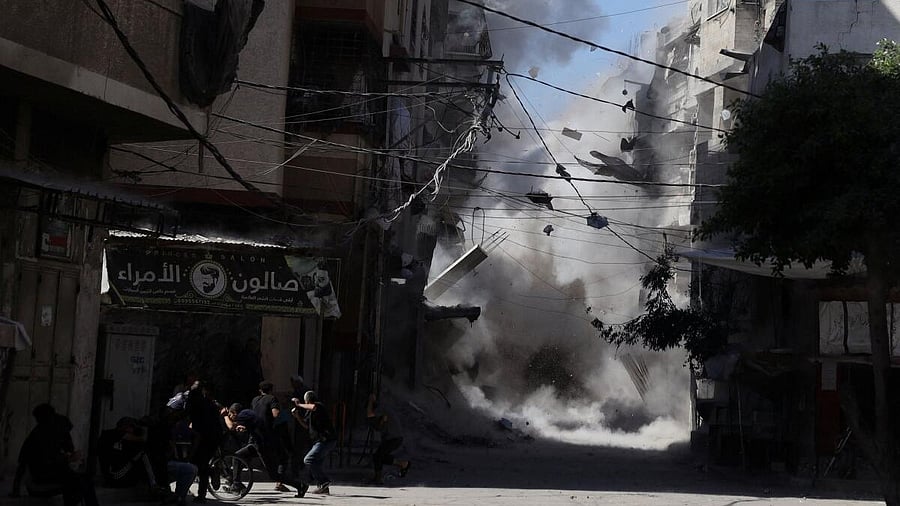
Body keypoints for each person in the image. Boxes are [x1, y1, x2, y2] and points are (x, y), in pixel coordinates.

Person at [8, 403, 99, 506]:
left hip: (55, 476)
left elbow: (67, 446)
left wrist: (70, 454)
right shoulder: (36, 437)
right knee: (74, 482)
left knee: (84, 480)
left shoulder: (56, 427)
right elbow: (30, 464)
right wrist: (68, 459)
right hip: (40, 481)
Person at [229, 407, 308, 498]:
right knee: (237, 456)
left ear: (234, 413)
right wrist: (245, 428)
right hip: (257, 444)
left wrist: (225, 416)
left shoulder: (241, 415)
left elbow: (231, 426)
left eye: (230, 415)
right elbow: (255, 424)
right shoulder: (247, 413)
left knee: (273, 475)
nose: (230, 417)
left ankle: (300, 485)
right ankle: (236, 484)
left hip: (263, 445)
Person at [291, 390, 337, 495]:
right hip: (319, 441)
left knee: (309, 459)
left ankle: (324, 482)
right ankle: (323, 488)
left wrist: (298, 405)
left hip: (326, 439)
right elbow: (306, 426)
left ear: (307, 400)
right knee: (316, 463)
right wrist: (297, 416)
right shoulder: (309, 411)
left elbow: (313, 407)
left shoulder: (318, 406)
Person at [187, 381, 223, 503]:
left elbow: (195, 423)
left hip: (204, 437)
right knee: (201, 464)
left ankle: (202, 492)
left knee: (198, 464)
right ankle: (202, 492)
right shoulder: (209, 403)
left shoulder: (195, 405)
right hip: (213, 436)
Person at [251, 380, 290, 492]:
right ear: (271, 390)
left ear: (260, 390)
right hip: (269, 435)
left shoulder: (255, 400)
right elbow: (275, 414)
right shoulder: (272, 398)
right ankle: (280, 483)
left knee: (245, 455)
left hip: (255, 434)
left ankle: (235, 481)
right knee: (283, 457)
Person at [366, 392, 411, 484]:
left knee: (378, 456)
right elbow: (378, 425)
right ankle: (403, 464)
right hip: (392, 438)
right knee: (379, 457)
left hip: (394, 438)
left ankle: (378, 479)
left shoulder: (381, 408)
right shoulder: (381, 411)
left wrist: (370, 400)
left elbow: (369, 414)